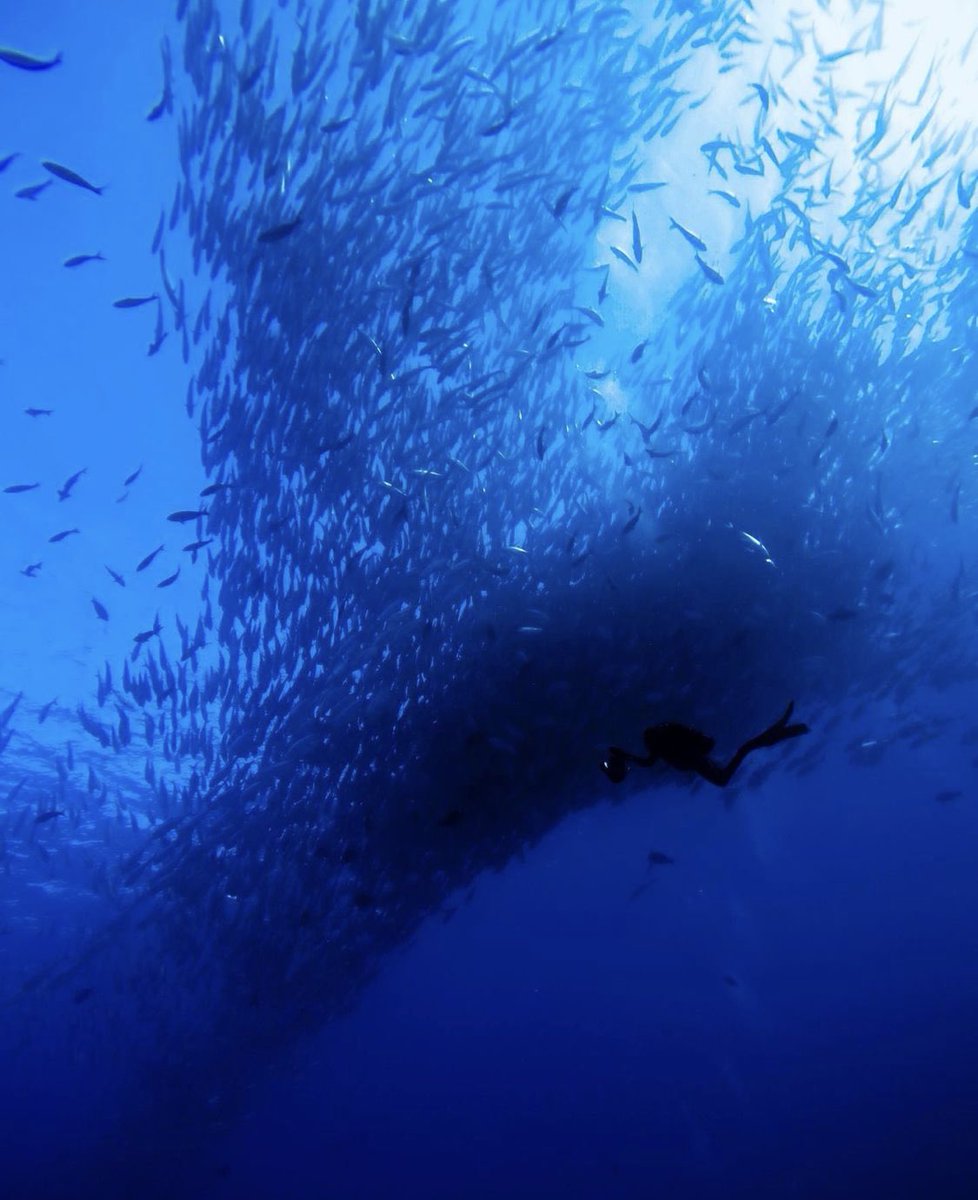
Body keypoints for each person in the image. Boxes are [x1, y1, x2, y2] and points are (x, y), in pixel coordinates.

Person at [602, 701, 809, 788]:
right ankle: (774, 734)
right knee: (725, 774)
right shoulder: (659, 736)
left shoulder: (657, 740)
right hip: (694, 758)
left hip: (694, 759)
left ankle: (772, 735)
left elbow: (648, 762)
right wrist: (625, 755)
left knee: (724, 776)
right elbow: (649, 762)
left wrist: (626, 755)